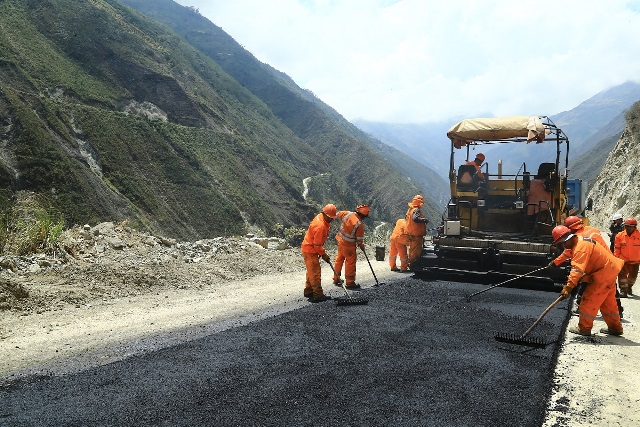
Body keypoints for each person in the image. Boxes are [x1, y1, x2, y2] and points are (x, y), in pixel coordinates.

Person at [552, 225, 624, 336]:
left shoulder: (580, 248)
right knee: (608, 303)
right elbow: (568, 254)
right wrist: (555, 262)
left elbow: (577, 269)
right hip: (610, 270)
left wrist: (568, 287)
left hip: (602, 274)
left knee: (588, 301)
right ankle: (615, 328)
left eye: (563, 242)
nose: (563, 245)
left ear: (568, 238)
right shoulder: (579, 240)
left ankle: (584, 328)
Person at [301, 204, 337, 302]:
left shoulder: (321, 217)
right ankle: (318, 294)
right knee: (315, 272)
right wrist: (324, 254)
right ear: (325, 214)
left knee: (311, 271)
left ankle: (309, 291)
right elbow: (317, 245)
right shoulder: (320, 226)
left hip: (308, 248)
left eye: (332, 218)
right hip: (310, 250)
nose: (331, 219)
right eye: (330, 217)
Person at [333, 204, 369, 289]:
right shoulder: (359, 224)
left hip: (340, 242)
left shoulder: (347, 213)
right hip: (349, 246)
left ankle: (336, 278)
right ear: (363, 215)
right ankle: (350, 283)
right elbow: (359, 240)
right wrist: (362, 246)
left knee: (339, 260)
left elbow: (337, 214)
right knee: (350, 263)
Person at [614, 217, 640, 298]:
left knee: (633, 277)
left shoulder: (639, 236)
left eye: (630, 226)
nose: (628, 228)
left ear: (635, 227)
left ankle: (629, 287)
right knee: (622, 277)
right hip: (623, 261)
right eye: (627, 226)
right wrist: (616, 261)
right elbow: (617, 249)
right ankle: (623, 291)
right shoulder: (619, 236)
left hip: (635, 262)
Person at [405, 195, 429, 269]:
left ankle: (410, 263)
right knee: (416, 251)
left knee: (412, 250)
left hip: (411, 233)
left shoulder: (410, 209)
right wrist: (425, 220)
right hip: (416, 235)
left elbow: (407, 219)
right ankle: (414, 265)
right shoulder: (416, 210)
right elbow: (415, 219)